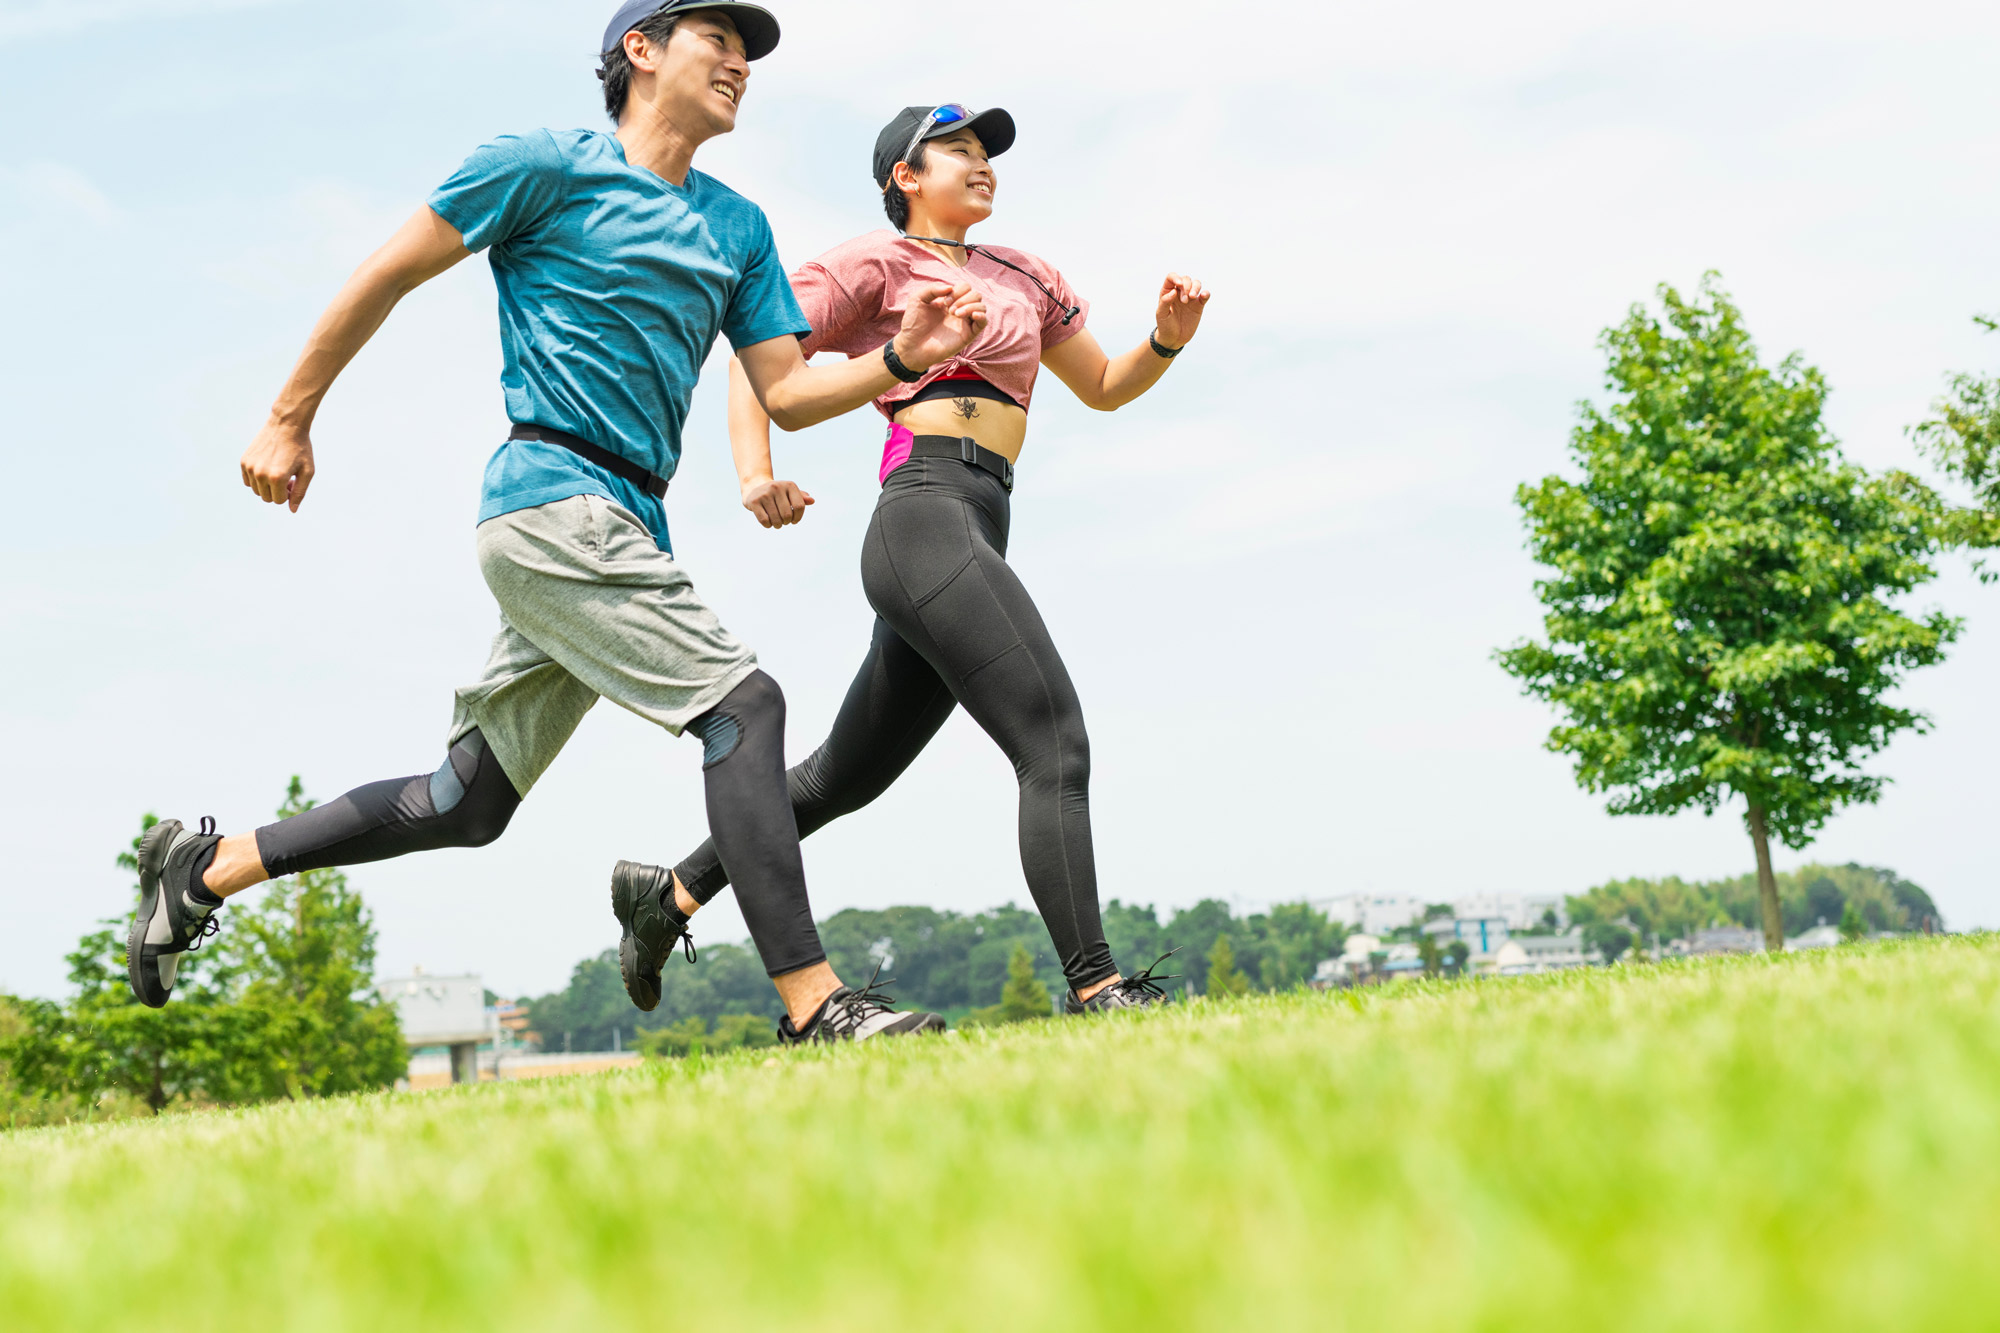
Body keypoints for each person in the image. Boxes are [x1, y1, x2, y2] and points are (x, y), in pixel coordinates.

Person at [124, 4, 993, 1045]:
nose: (738, 63)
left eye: (747, 52)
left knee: (465, 801)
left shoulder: (738, 228)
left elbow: (788, 392)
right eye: (716, 39)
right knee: (744, 706)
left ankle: (206, 869)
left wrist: (901, 357)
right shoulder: (540, 163)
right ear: (639, 50)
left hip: (626, 519)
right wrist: (287, 416)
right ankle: (815, 1004)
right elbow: (389, 271)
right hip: (549, 498)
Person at [610, 103, 1210, 1015]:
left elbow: (1104, 387)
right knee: (1053, 739)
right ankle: (1098, 987)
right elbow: (757, 358)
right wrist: (755, 471)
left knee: (839, 777)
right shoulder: (869, 265)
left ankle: (670, 895)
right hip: (923, 517)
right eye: (958, 151)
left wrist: (1165, 337)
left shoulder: (1026, 272)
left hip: (980, 516)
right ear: (905, 176)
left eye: (988, 154)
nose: (982, 166)